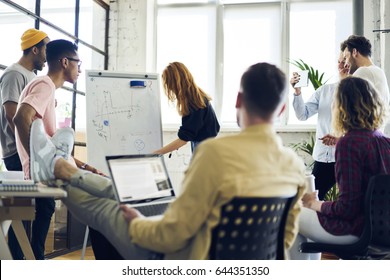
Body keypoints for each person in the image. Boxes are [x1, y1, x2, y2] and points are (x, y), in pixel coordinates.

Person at [28, 62, 306, 259]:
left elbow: (174, 234)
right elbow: (285, 239)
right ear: (282, 108)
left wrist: (138, 224)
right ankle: (60, 166)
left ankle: (56, 170)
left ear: (238, 100)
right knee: (131, 195)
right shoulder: (293, 168)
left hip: (179, 260)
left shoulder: (214, 156)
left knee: (108, 210)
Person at [289, 77, 390, 260]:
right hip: (382, 230)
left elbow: (347, 209)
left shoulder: (348, 144)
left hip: (355, 230)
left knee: (293, 214)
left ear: (341, 107)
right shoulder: (385, 141)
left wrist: (314, 204)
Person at [0, 28, 49, 260]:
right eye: (45, 49)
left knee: (43, 207)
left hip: (32, 153)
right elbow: (12, 115)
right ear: (35, 49)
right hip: (18, 153)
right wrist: (28, 150)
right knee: (23, 212)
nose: (47, 56)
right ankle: (20, 264)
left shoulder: (33, 78)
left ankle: (35, 257)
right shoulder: (14, 74)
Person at [290, 48, 349, 200]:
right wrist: (297, 92)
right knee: (311, 198)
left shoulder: (359, 92)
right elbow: (303, 114)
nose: (341, 65)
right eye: (339, 62)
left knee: (350, 201)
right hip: (324, 157)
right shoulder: (325, 91)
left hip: (347, 157)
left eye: (344, 62)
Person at [154, 62, 220, 154]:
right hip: (207, 146)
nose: (170, 89)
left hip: (204, 149)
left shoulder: (194, 102)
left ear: (175, 84)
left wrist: (156, 153)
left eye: (169, 84)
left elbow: (184, 139)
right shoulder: (198, 97)